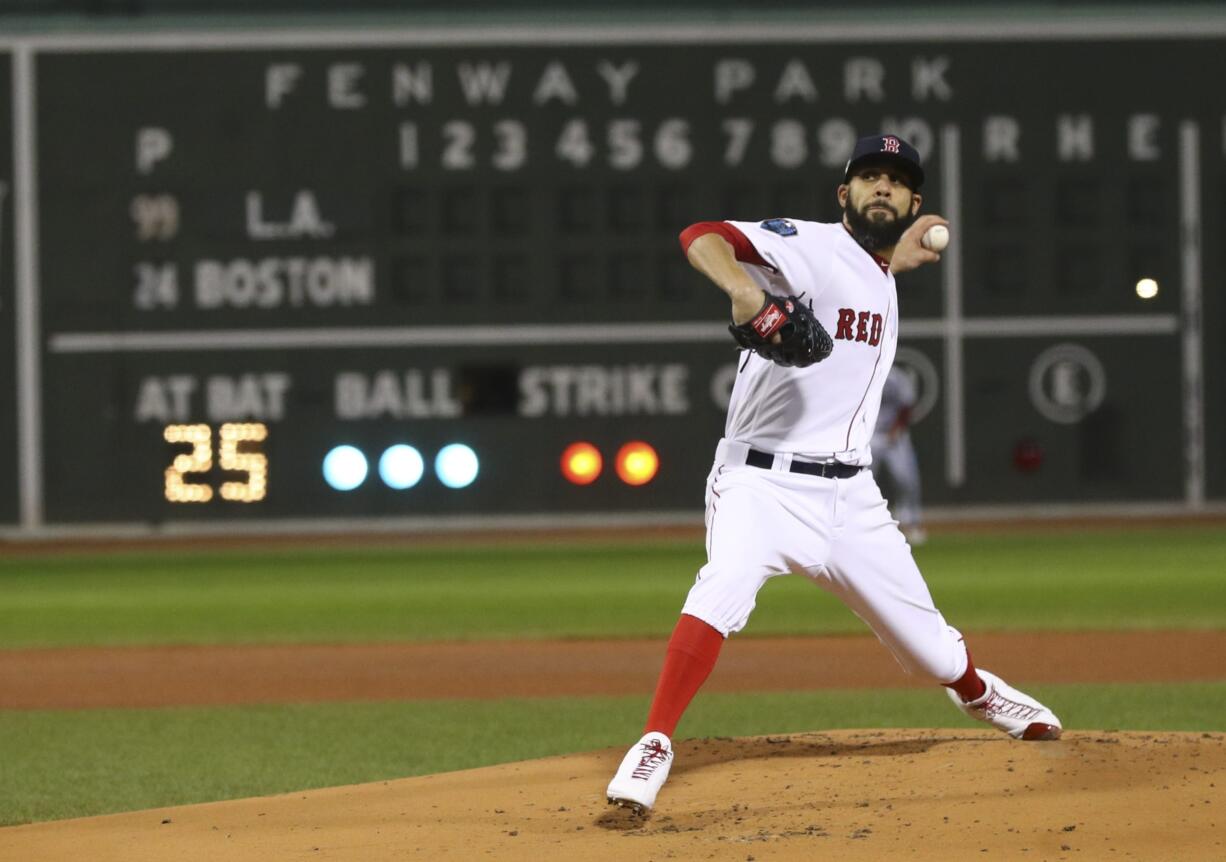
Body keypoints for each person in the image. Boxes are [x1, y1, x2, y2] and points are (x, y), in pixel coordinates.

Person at [605, 134, 1061, 816]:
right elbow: (701, 235)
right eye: (869, 176)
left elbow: (904, 250)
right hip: (760, 483)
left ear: (912, 199)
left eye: (897, 180)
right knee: (723, 588)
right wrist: (742, 293)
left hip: (850, 496)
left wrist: (930, 235)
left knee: (931, 653)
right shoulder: (807, 246)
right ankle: (655, 741)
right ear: (842, 194)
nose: (883, 186)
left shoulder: (879, 269)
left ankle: (974, 691)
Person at [871, 365, 927, 545]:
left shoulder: (896, 377)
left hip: (894, 436)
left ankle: (910, 523)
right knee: (857, 481)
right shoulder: (862, 371)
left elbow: (906, 406)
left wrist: (895, 431)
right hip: (867, 436)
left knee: (906, 479)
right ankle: (854, 526)